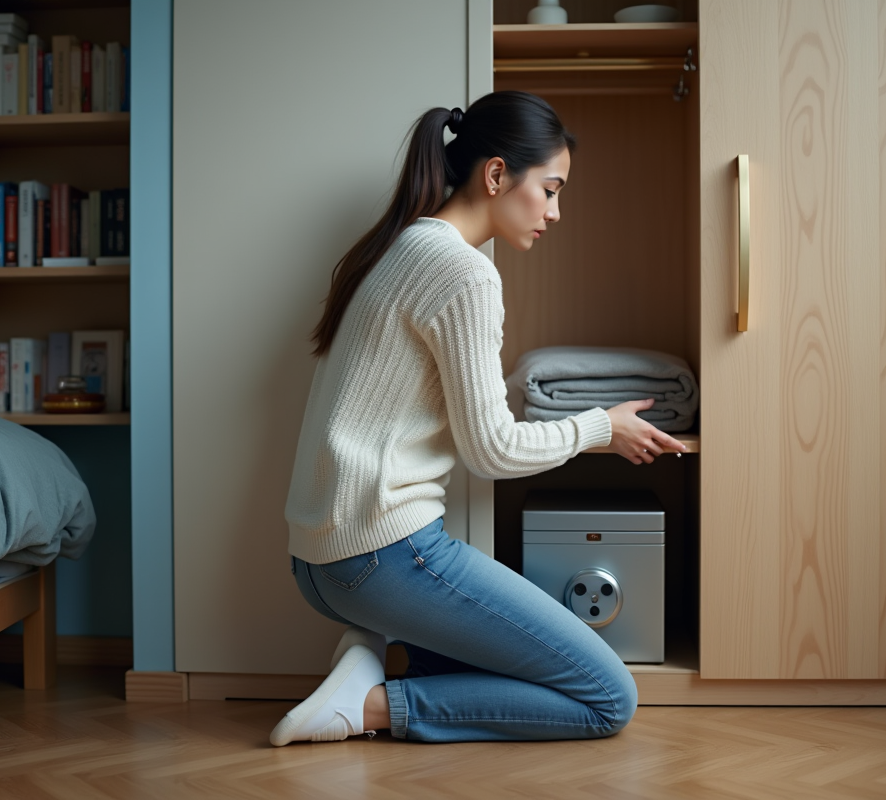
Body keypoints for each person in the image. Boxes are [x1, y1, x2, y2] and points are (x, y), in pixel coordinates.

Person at [272, 90, 688, 746]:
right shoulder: (464, 272)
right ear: (496, 175)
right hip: (384, 558)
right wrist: (601, 426)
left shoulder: (398, 245)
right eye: (549, 189)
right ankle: (370, 706)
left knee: (527, 674)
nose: (556, 211)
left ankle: (366, 654)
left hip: (321, 566)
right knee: (609, 697)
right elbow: (492, 451)